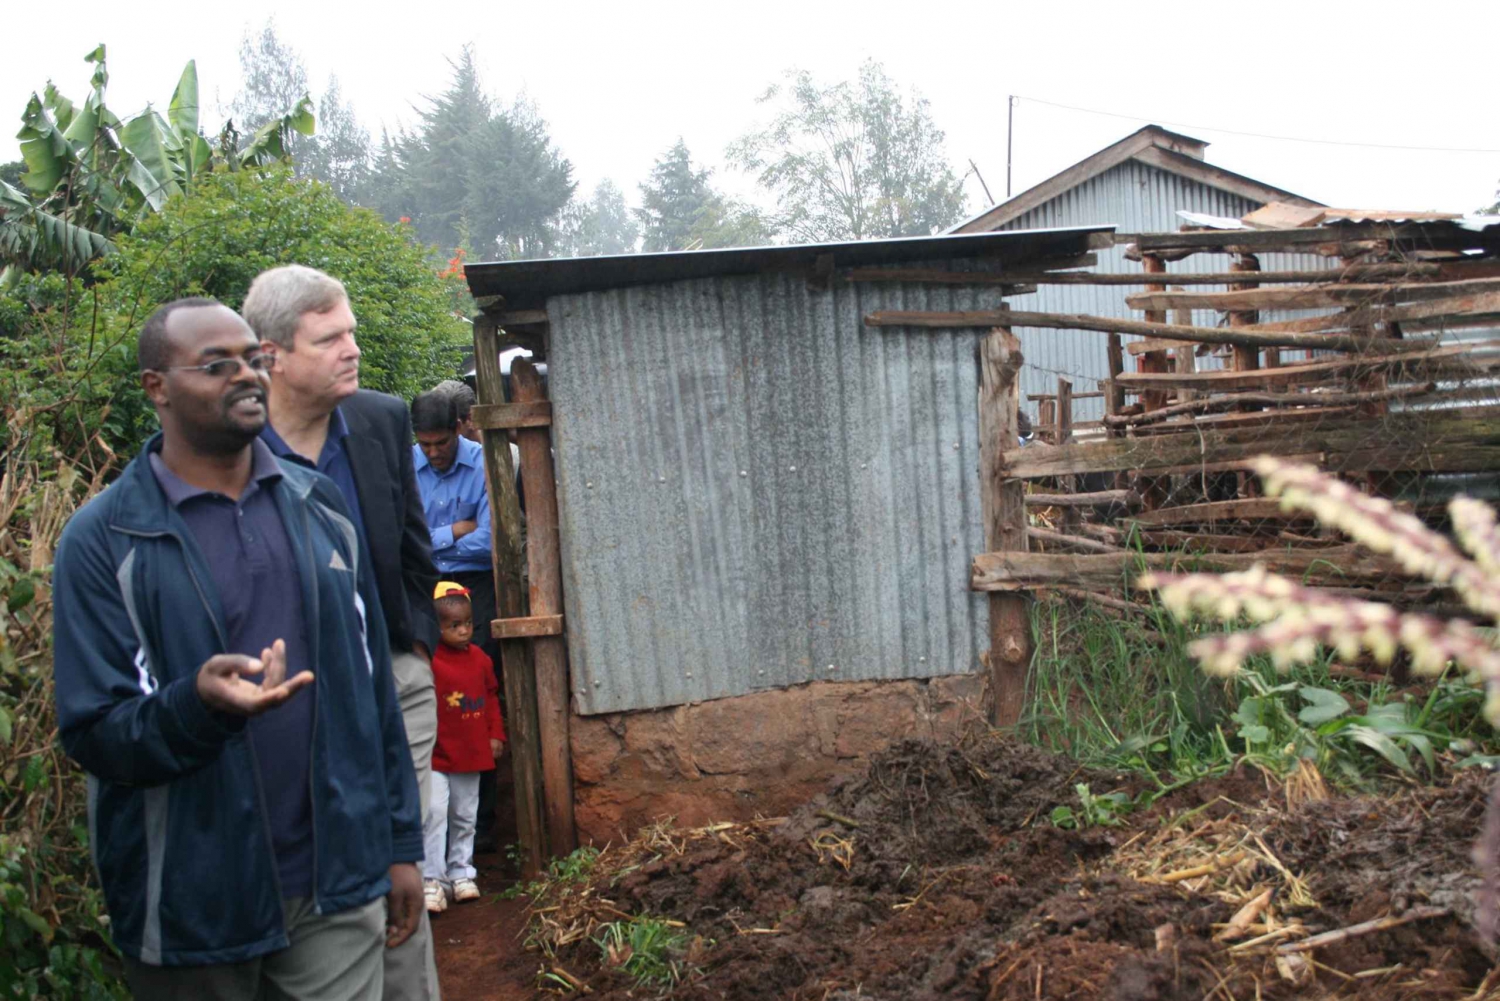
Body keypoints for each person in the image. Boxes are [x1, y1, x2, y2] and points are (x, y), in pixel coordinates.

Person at [52, 298, 423, 999]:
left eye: (253, 359)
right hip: (193, 903)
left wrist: (400, 844)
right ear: (156, 386)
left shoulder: (322, 510)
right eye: (217, 365)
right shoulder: (106, 541)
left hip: (333, 888)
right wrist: (198, 704)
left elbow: (372, 692)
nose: (246, 377)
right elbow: (94, 728)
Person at [243, 264, 442, 1001]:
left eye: (351, 331)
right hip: (282, 689)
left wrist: (411, 640)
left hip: (387, 674)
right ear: (271, 357)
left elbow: (413, 546)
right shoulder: (236, 438)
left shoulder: (383, 420)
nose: (352, 348)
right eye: (330, 338)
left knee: (395, 843)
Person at [423, 582, 505, 913]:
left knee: (465, 814)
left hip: (470, 752)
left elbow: (490, 698)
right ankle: (432, 878)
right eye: (454, 626)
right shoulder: (428, 660)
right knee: (433, 813)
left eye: (468, 623)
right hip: (436, 752)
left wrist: (495, 734)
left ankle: (461, 872)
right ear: (436, 627)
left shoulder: (481, 659)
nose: (463, 631)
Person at [411, 392, 498, 670]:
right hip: (425, 577)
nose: (434, 452)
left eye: (441, 443)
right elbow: (406, 538)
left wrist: (430, 539)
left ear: (458, 427)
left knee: (481, 658)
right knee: (428, 660)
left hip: (476, 579)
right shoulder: (404, 465)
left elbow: (488, 541)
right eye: (425, 444)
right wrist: (456, 530)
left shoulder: (485, 463)